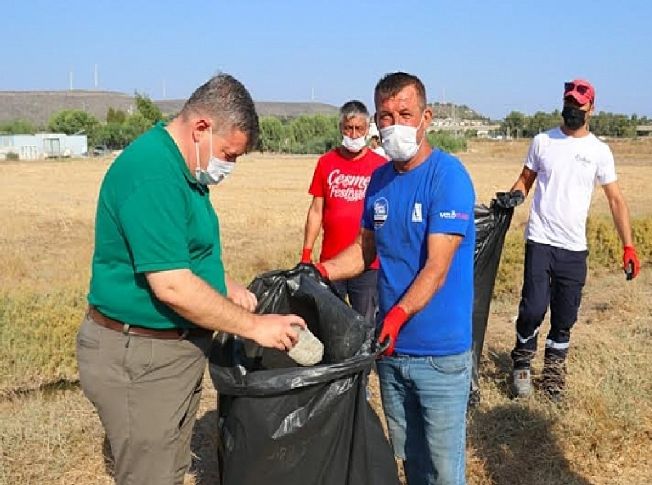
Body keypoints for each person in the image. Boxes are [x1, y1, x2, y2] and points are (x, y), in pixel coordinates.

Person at [76, 73, 305, 485]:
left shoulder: (183, 169)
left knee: (171, 466)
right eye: (229, 154)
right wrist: (255, 327)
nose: (229, 166)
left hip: (168, 352)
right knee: (152, 476)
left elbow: (181, 256)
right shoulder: (154, 174)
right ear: (201, 127)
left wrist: (224, 285)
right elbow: (172, 284)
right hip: (141, 357)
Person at [312, 72, 475, 485]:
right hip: (392, 353)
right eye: (385, 116)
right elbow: (366, 250)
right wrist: (320, 270)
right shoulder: (380, 181)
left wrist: (397, 315)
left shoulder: (448, 176)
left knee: (443, 468)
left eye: (405, 113)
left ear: (426, 117)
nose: (394, 124)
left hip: (439, 354)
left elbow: (437, 267)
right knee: (410, 461)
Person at [509, 78, 641, 400]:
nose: (572, 109)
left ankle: (554, 371)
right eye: (568, 103)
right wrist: (511, 198)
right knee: (534, 307)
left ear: (591, 109)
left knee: (565, 316)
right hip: (540, 240)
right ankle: (522, 363)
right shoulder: (542, 142)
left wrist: (628, 246)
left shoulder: (599, 151)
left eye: (578, 105)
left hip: (573, 248)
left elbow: (615, 200)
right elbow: (525, 181)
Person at [301, 100, 387, 321]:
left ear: (368, 129)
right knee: (330, 324)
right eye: (349, 128)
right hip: (331, 262)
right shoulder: (326, 163)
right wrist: (306, 255)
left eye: (359, 128)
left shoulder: (380, 167)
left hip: (367, 263)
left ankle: (364, 358)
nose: (354, 133)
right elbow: (316, 211)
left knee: (365, 325)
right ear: (341, 128)